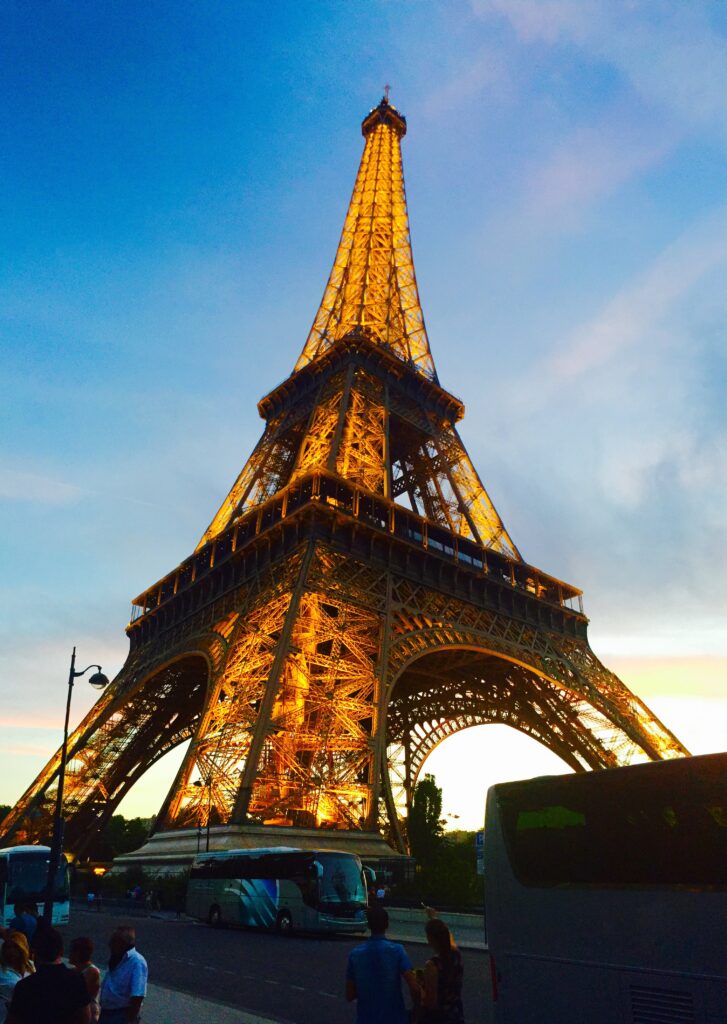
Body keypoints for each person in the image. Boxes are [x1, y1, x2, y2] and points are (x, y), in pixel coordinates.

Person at [345, 905, 420, 1024]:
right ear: (387, 924)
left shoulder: (355, 955)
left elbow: (350, 995)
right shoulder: (397, 951)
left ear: (368, 925)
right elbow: (414, 987)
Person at [6, 927, 90, 1024]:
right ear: (61, 951)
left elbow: (13, 1021)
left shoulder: (25, 986)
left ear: (35, 953)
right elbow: (85, 1017)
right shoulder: (77, 980)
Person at [418, 917, 464, 1024]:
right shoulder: (457, 955)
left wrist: (420, 986)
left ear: (429, 939)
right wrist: (433, 917)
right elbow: (450, 939)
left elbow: (431, 1003)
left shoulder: (432, 965)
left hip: (440, 1018)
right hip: (455, 1014)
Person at [98, 926, 147, 1024]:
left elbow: (138, 996)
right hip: (106, 1012)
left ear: (123, 943)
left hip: (121, 1014)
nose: (110, 944)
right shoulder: (116, 958)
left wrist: (129, 1020)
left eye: (113, 941)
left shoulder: (137, 962)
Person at [69, 937, 101, 1024]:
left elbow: (78, 992)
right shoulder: (73, 970)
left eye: (71, 951)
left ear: (78, 953)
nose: (69, 954)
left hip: (89, 1014)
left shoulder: (92, 971)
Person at [0, 939, 27, 1019]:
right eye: (8, 947)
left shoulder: (31, 968)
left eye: (15, 947)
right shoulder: (2, 971)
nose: (11, 951)